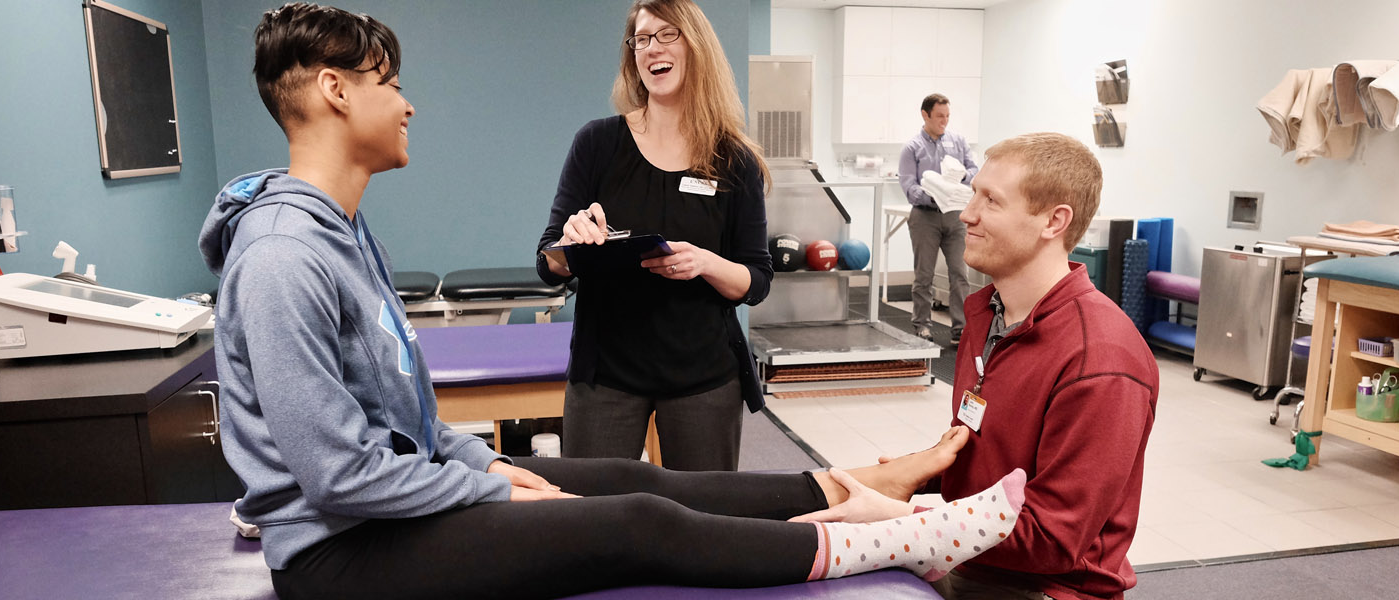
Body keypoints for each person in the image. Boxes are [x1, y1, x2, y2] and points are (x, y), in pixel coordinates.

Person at [199, 4, 1027, 599]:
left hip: (390, 504)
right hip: (338, 552)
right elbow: (339, 474)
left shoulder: (338, 233)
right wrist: (495, 486)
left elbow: (401, 427)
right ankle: (893, 538)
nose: (409, 103)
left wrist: (484, 463)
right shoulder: (283, 255)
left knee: (632, 479)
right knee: (637, 519)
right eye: (392, 85)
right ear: (338, 92)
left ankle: (861, 483)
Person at [535, 0, 771, 471]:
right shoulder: (597, 143)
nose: (651, 49)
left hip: (704, 375)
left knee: (702, 524)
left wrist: (705, 262)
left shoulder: (734, 160)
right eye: (641, 39)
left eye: (667, 35)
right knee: (592, 520)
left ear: (696, 46)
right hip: (606, 373)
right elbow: (548, 263)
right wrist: (570, 242)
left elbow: (757, 280)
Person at [933, 133, 1160, 600]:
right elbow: (989, 460)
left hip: (1048, 588)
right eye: (973, 194)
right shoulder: (989, 314)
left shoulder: (1100, 358)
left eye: (990, 201)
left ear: (1054, 222)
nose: (967, 214)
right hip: (974, 560)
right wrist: (909, 472)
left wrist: (901, 527)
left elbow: (1052, 540)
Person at [899, 93, 979, 345]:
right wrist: (935, 195)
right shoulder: (912, 148)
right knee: (924, 275)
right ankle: (922, 325)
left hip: (955, 217)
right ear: (925, 115)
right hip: (926, 217)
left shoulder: (958, 142)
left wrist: (962, 175)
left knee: (959, 273)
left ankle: (961, 329)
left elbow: (975, 170)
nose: (944, 121)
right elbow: (908, 184)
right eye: (939, 116)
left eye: (947, 116)